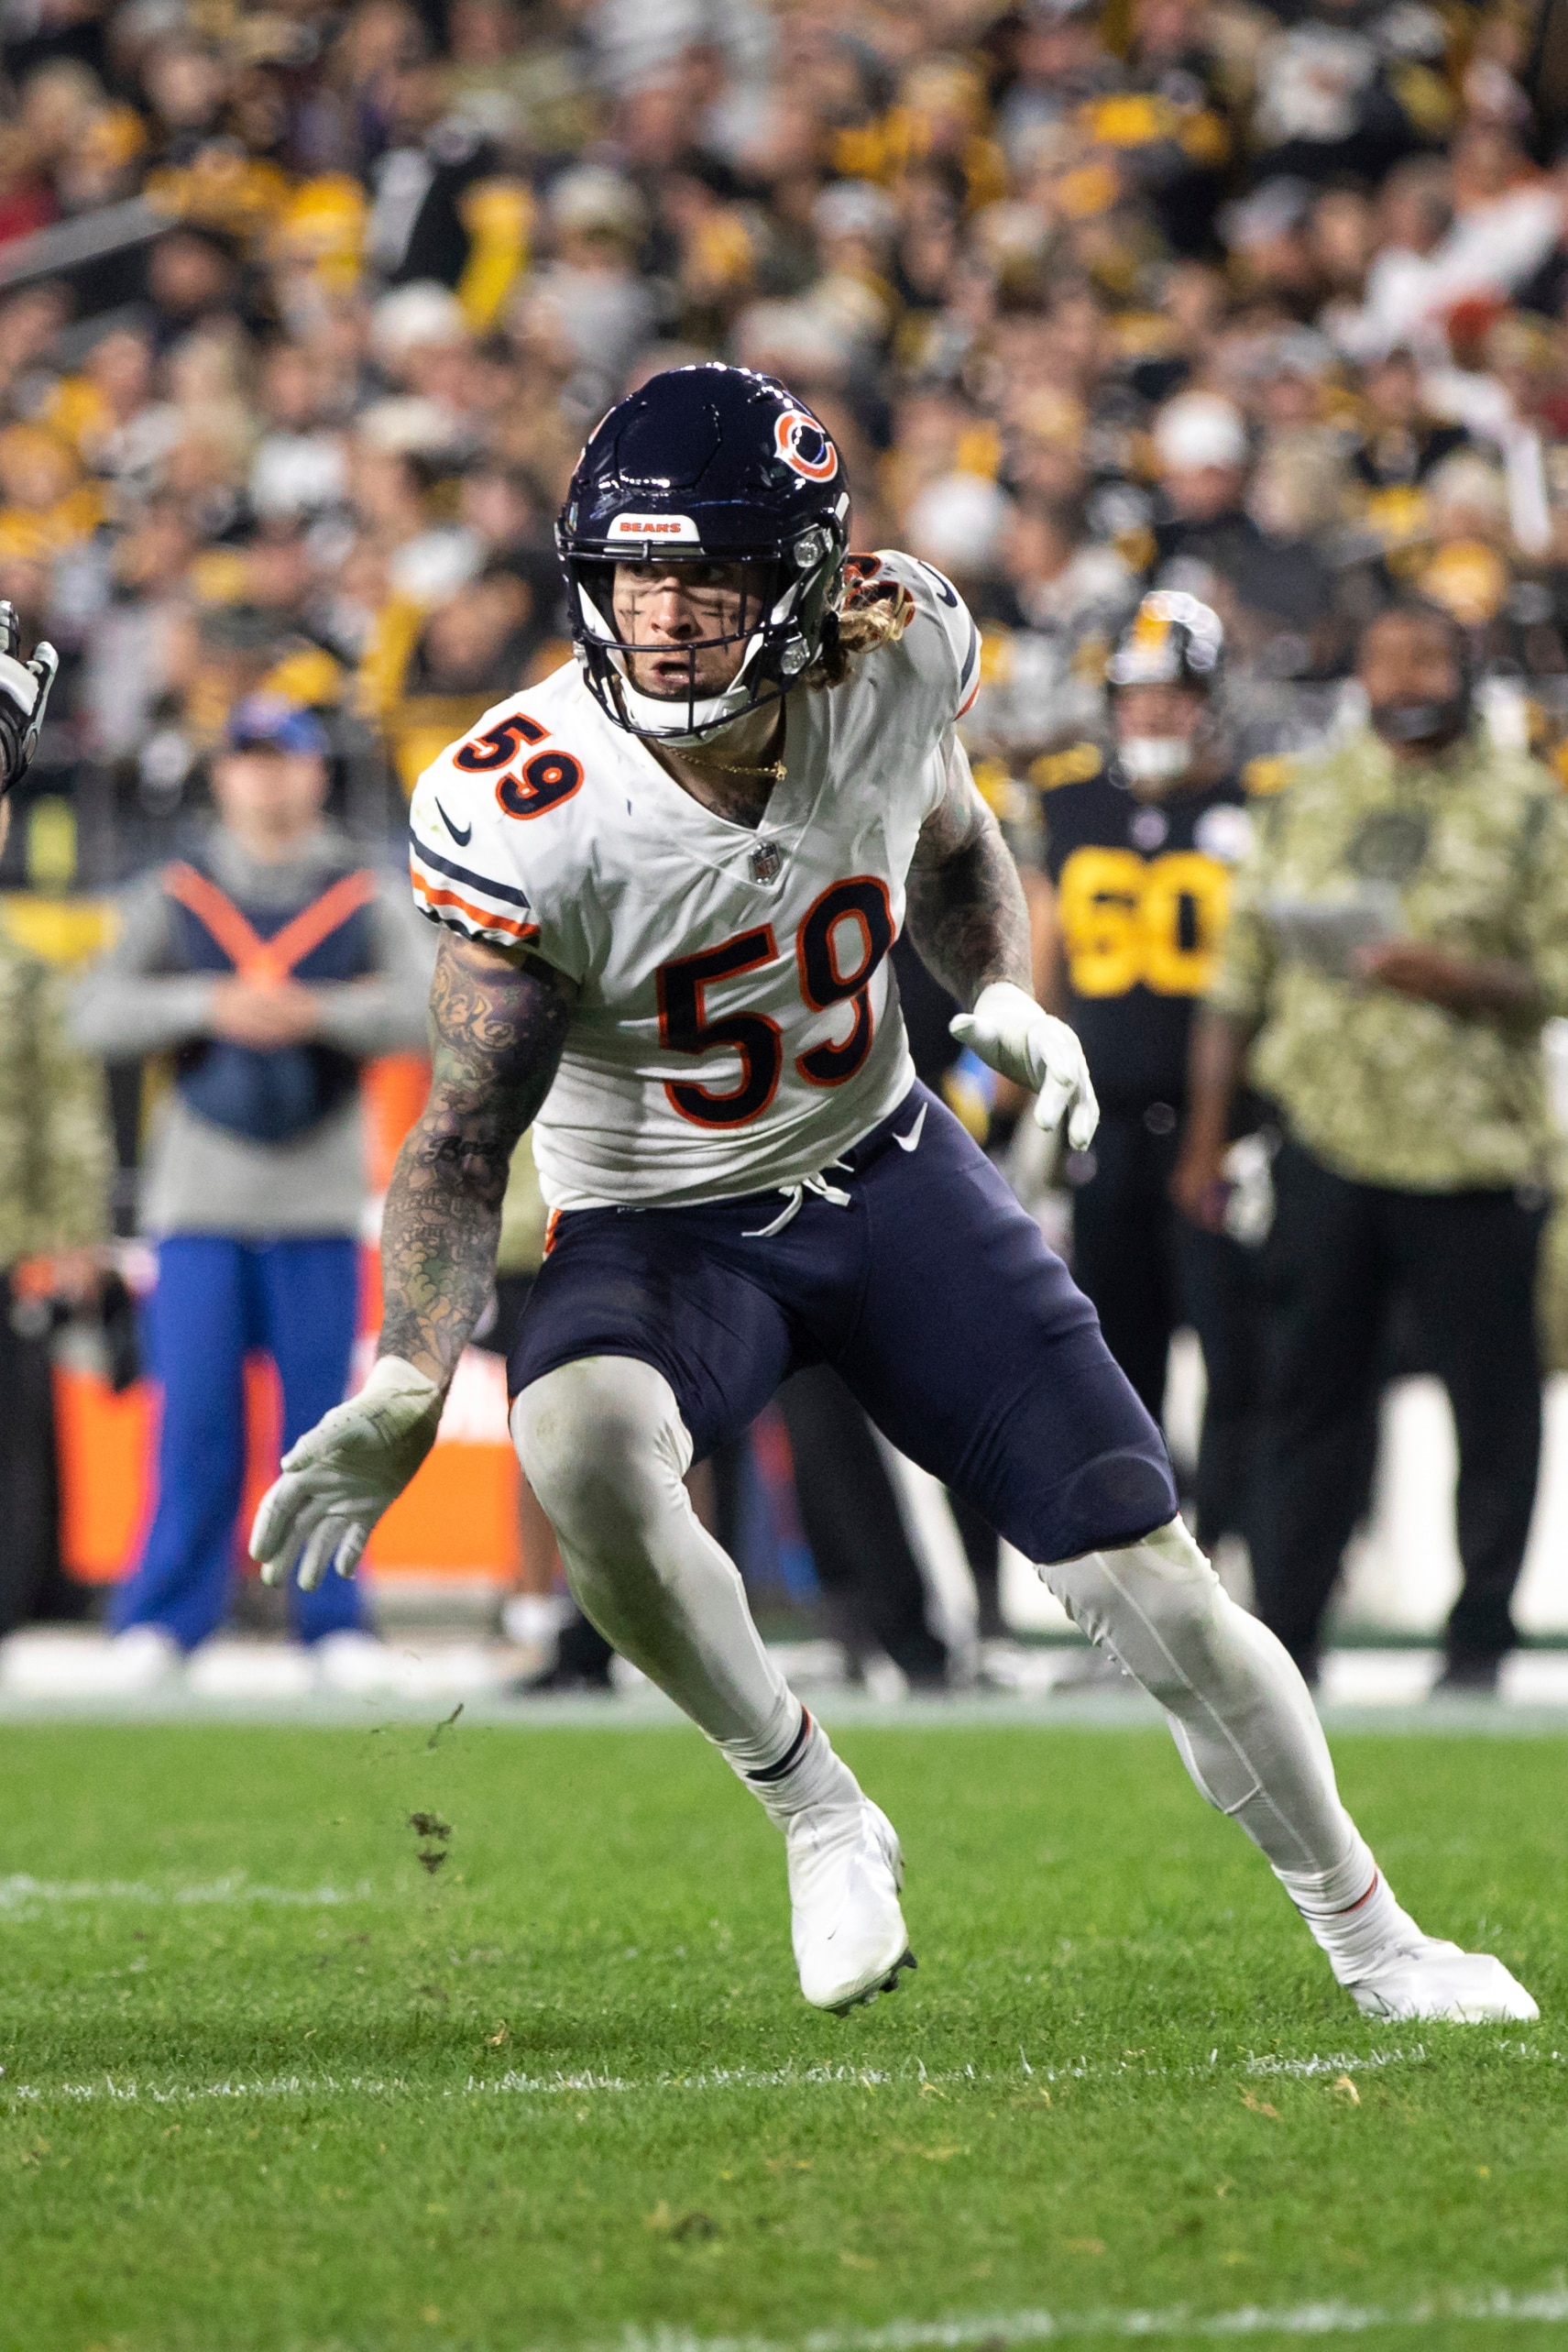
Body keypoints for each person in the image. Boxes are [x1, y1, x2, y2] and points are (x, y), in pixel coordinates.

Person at [252, 366, 1533, 2027]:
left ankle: (1376, 1941)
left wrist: (994, 987)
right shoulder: (529, 804)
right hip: (662, 1225)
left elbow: (948, 845)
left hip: (891, 1169)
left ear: (796, 581)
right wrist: (411, 1369)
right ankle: (813, 1803)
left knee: (1159, 1586)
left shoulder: (895, 650)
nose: (662, 616)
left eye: (705, 574)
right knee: (579, 1449)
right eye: (633, 575)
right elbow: (459, 1135)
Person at [1176, 600, 1568, 1693]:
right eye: (1385, 655)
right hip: (1325, 1141)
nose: (1404, 675)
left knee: (1491, 1409)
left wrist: (1458, 979)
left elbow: (1560, 971)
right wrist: (1207, 1139)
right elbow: (1236, 976)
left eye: (1427, 654)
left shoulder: (1529, 806)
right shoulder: (1309, 794)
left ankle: (1478, 1641)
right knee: (1306, 1398)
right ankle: (1287, 1638)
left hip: (1472, 1153)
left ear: (1465, 667)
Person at [73, 694, 431, 1683]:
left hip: (319, 1201)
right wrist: (211, 1002)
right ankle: (165, 1620)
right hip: (197, 1202)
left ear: (316, 773)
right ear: (222, 774)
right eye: (248, 760)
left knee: (327, 1427)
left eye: (285, 760)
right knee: (191, 1421)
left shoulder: (362, 891)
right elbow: (93, 1011)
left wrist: (309, 1011)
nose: (267, 779)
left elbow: (433, 1006)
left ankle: (336, 1623)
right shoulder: (173, 894)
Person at [1042, 591, 1261, 1555]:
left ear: (1207, 698)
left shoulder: (1250, 804)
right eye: (1135, 698)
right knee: (1112, 1368)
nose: (1151, 716)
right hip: (1107, 1122)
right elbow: (1042, 963)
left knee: (1235, 1356)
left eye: (1170, 696)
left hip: (1226, 1130)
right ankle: (1147, 1567)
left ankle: (1238, 1561)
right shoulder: (1071, 802)